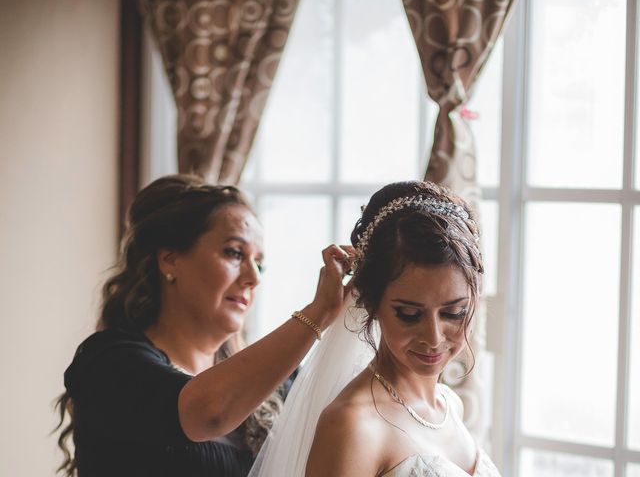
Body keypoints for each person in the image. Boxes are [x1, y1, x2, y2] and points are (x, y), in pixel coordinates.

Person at [54, 174, 354, 477]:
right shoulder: (109, 363)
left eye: (259, 263)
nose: (254, 277)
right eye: (234, 253)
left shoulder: (278, 383)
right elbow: (208, 413)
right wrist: (318, 313)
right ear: (170, 260)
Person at [249, 180, 500, 476]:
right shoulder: (353, 425)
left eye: (454, 312)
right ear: (371, 302)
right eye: (408, 314)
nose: (434, 337)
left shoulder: (450, 405)